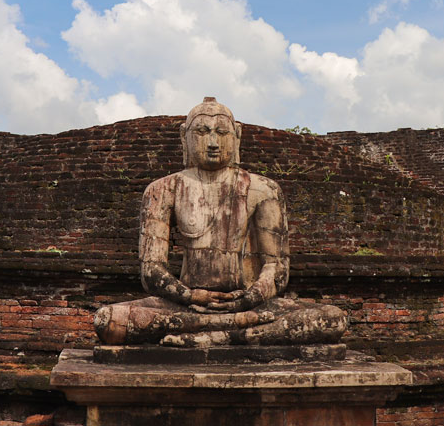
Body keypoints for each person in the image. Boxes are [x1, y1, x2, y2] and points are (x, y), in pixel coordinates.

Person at [94, 98, 346, 347]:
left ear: (237, 135)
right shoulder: (163, 189)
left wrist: (249, 298)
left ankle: (219, 336)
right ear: (184, 137)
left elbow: (276, 267)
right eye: (202, 132)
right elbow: (151, 271)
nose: (213, 143)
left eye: (222, 132)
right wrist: (191, 295)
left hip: (248, 303)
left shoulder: (263, 189)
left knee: (332, 319)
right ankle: (239, 332)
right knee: (108, 320)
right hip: (186, 306)